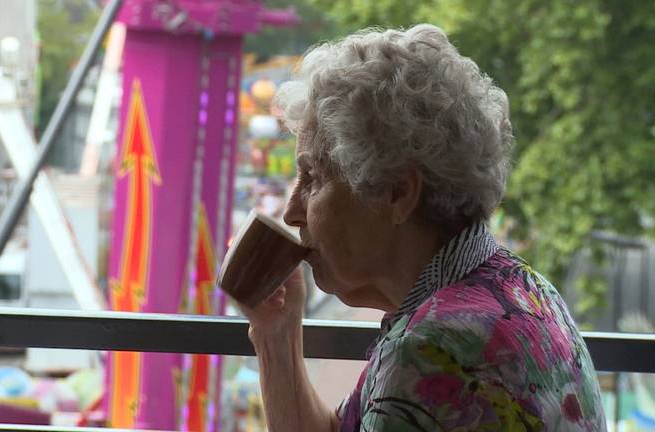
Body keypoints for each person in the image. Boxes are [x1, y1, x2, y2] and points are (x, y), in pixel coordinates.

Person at [238, 25, 606, 431]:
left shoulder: (428, 354)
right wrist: (277, 333)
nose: (292, 211)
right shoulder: (524, 288)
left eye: (314, 179)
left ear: (397, 192)